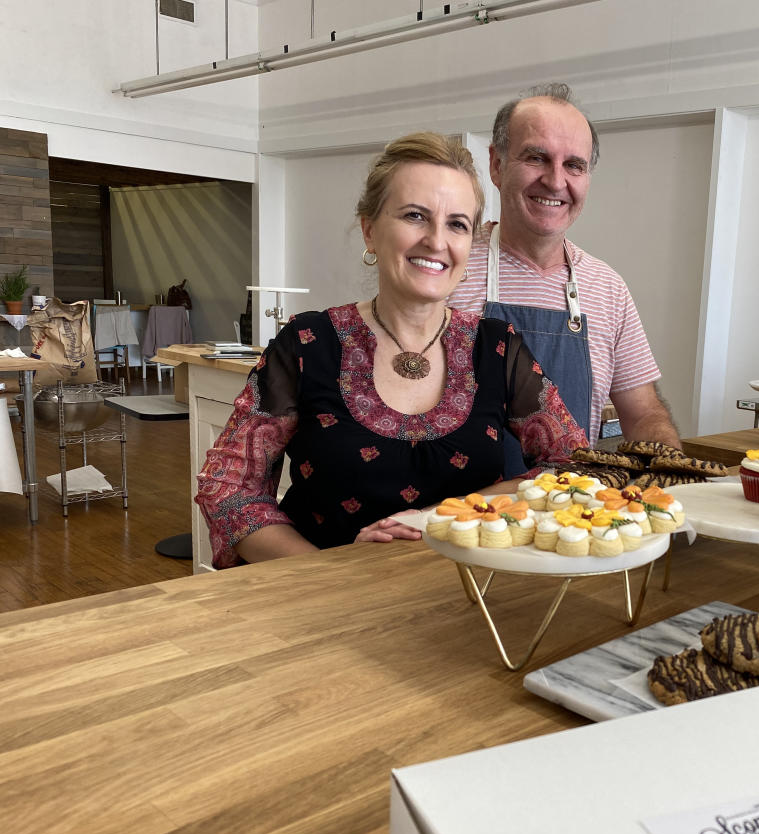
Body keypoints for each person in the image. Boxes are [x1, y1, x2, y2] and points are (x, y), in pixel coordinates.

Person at [195, 133, 587, 569]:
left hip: (466, 595)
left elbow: (572, 469)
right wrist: (334, 572)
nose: (437, 241)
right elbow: (228, 485)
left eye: (457, 224)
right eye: (415, 216)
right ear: (369, 230)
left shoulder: (496, 348)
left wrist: (434, 518)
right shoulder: (307, 344)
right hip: (323, 604)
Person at [448, 82, 681, 460]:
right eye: (537, 158)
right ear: (496, 164)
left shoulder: (607, 288)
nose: (556, 181)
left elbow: (644, 413)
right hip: (463, 513)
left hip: (568, 510)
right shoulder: (449, 269)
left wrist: (665, 467)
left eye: (574, 165)